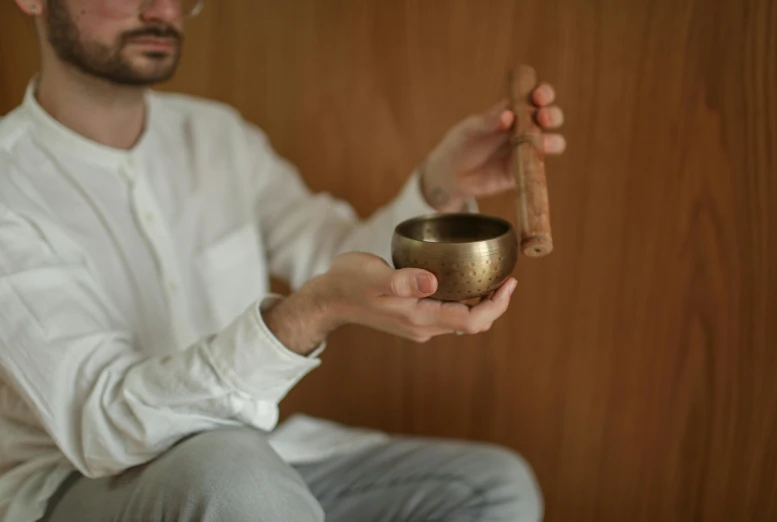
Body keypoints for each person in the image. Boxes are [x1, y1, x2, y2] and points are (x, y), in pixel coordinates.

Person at [0, 0, 566, 520]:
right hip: (85, 484)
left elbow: (332, 256)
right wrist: (307, 314)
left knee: (492, 487)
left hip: (256, 461)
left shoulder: (218, 135)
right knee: (233, 477)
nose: (163, 9)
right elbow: (105, 427)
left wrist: (442, 186)